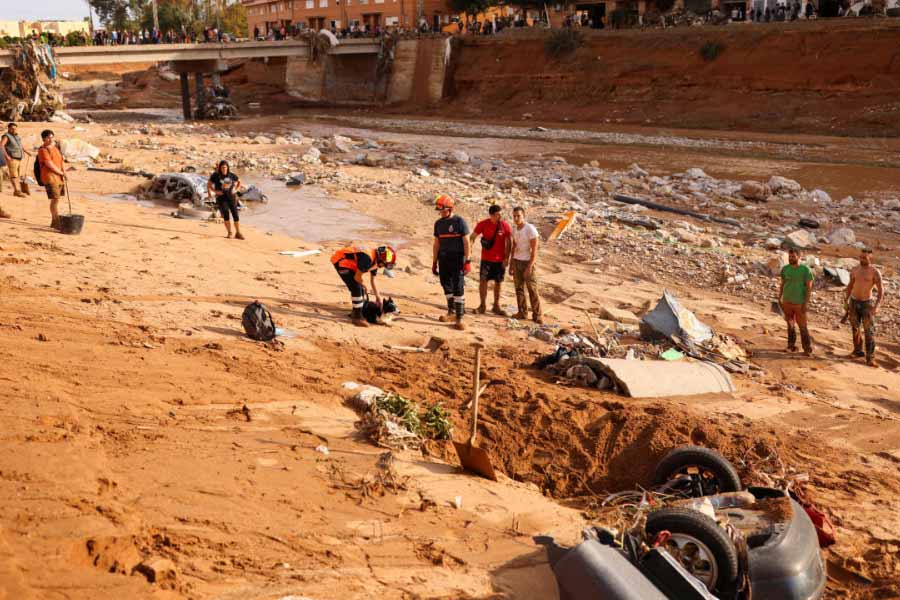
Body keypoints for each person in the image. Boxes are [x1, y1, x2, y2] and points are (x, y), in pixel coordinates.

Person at [432, 194, 471, 331]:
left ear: (449, 208)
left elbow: (466, 242)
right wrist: (434, 261)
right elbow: (436, 244)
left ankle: (460, 317)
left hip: (457, 259)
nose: (440, 212)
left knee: (458, 287)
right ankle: (451, 312)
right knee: (445, 284)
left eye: (442, 210)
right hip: (443, 259)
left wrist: (468, 261)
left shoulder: (459, 222)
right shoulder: (438, 224)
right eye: (439, 210)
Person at [331, 245, 397, 327]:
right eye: (385, 264)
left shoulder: (375, 261)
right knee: (357, 288)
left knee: (359, 287)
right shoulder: (367, 258)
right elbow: (357, 277)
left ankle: (357, 311)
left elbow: (373, 280)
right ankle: (357, 318)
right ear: (381, 260)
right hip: (341, 261)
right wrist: (364, 285)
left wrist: (378, 297)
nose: (384, 267)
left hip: (351, 265)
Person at [470, 204, 512, 316]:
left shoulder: (504, 225)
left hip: (499, 260)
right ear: (492, 215)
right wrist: (469, 248)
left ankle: (496, 306)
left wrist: (507, 258)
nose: (500, 216)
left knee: (499, 282)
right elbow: (473, 236)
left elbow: (509, 242)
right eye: (498, 214)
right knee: (483, 281)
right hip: (486, 259)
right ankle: (482, 305)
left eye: (500, 214)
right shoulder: (483, 224)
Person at [844, 249, 883, 366]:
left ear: (870, 258)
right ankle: (857, 351)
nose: (862, 260)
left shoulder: (875, 272)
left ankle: (870, 358)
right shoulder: (855, 270)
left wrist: (876, 306)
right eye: (861, 257)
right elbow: (850, 285)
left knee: (869, 331)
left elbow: (881, 291)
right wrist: (846, 300)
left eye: (864, 258)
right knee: (855, 328)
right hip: (854, 302)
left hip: (867, 304)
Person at [777, 247, 814, 355]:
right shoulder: (785, 269)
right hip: (787, 301)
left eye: (793, 256)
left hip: (799, 303)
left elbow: (809, 288)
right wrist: (780, 297)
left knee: (802, 326)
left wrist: (806, 303)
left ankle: (807, 349)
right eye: (789, 256)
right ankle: (791, 346)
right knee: (790, 324)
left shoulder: (805, 270)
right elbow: (783, 283)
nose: (791, 258)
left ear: (799, 257)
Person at [509, 206, 542, 324]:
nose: (516, 218)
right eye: (514, 216)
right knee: (519, 289)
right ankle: (522, 312)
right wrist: (511, 263)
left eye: (518, 216)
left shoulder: (530, 229)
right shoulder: (514, 229)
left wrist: (529, 266)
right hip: (517, 261)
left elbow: (534, 250)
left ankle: (537, 315)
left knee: (532, 289)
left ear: (523, 216)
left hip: (527, 262)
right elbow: (514, 247)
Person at [37, 130, 67, 230]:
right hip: (49, 177)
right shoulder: (43, 150)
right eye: (48, 137)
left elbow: (61, 161)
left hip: (59, 177)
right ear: (44, 138)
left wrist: (64, 172)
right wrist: (61, 172)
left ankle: (54, 222)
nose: (51, 139)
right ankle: (56, 221)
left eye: (52, 137)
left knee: (57, 199)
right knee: (55, 199)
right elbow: (49, 164)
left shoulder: (55, 148)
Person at [207, 160, 244, 239]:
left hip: (232, 198)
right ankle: (229, 233)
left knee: (236, 216)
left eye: (225, 167)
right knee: (226, 215)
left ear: (227, 167)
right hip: (222, 199)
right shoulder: (216, 175)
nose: (224, 169)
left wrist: (236, 190)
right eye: (222, 167)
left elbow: (239, 182)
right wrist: (215, 191)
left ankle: (238, 233)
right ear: (220, 168)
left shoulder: (231, 175)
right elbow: (209, 184)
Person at [2, 122, 32, 198]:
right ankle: (16, 191)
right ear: (8, 128)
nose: (14, 130)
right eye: (12, 128)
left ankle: (19, 190)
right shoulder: (6, 136)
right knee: (14, 176)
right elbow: (1, 146)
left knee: (17, 175)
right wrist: (7, 156)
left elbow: (20, 146)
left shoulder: (16, 136)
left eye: (15, 128)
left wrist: (26, 151)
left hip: (19, 158)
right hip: (12, 158)